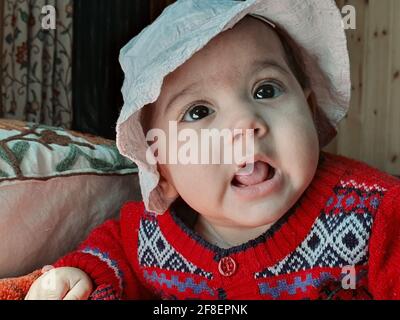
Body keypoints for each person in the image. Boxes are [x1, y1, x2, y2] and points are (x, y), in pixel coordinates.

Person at [26, 0, 400, 300]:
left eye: (265, 90)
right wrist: (80, 276)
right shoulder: (150, 237)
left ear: (309, 110)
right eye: (199, 112)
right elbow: (111, 255)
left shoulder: (376, 213)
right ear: (162, 169)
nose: (244, 123)